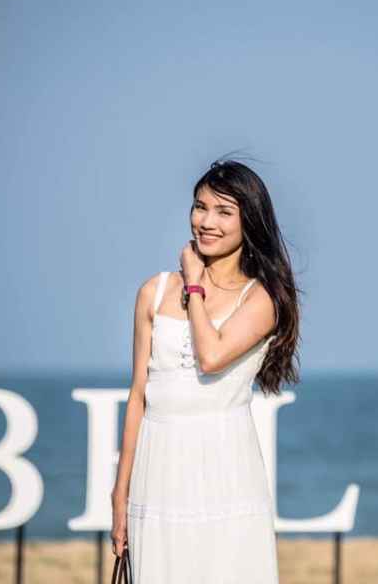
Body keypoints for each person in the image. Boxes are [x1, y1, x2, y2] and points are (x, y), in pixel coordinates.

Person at [110, 157, 301, 583]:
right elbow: (138, 395)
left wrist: (194, 285)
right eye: (200, 207)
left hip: (223, 468)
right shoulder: (154, 291)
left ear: (250, 221)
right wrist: (120, 492)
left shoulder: (262, 298)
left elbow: (211, 356)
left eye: (224, 211)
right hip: (157, 470)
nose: (207, 221)